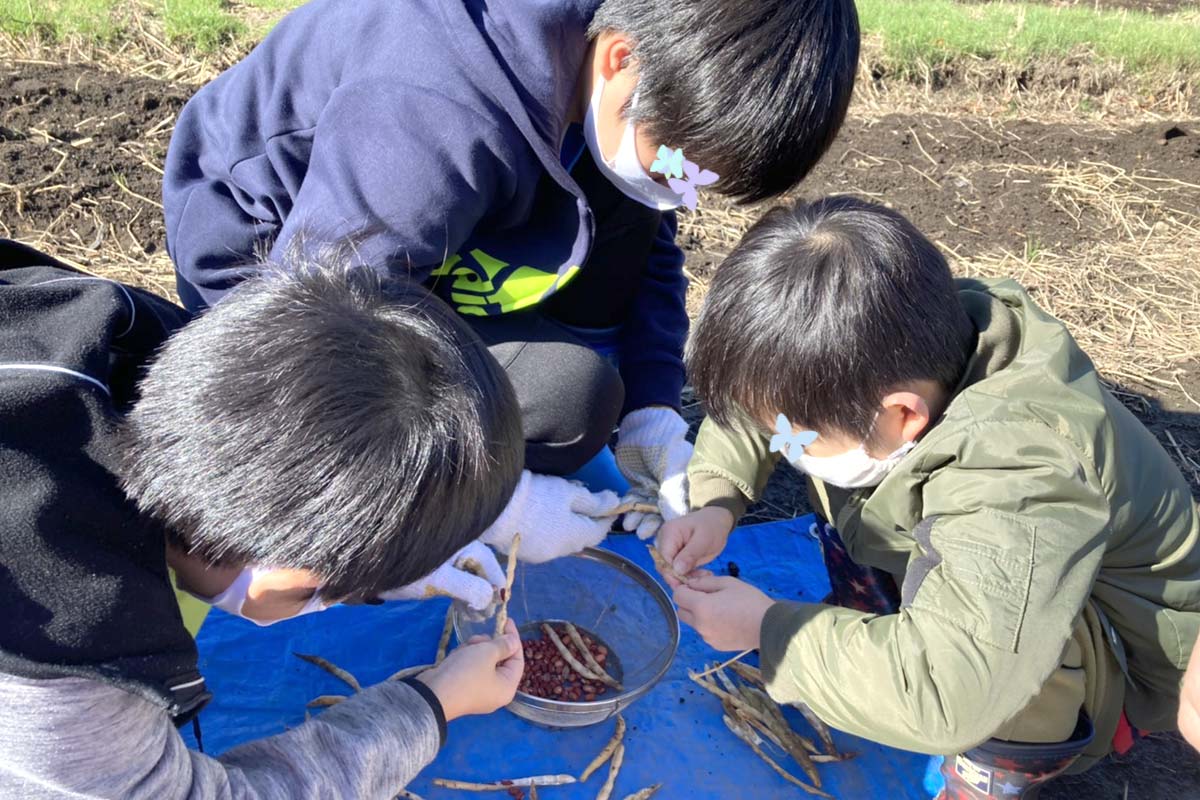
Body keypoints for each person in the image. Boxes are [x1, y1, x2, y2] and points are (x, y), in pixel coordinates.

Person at [162, 0, 861, 545]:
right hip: (282, 272)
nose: (684, 190)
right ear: (621, 58)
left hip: (412, 243)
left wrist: (651, 408)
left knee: (587, 381)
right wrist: (482, 509)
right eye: (680, 167)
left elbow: (650, 233)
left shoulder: (632, 66)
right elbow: (317, 347)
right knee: (535, 410)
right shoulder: (435, 113)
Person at [657, 197, 1200, 798]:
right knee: (856, 500)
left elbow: (956, 687)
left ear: (902, 414)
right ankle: (879, 648)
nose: (780, 444)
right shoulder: (890, 337)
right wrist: (717, 500)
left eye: (794, 438)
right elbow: (768, 403)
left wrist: (769, 630)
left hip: (1111, 652)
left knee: (987, 672)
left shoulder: (1020, 477)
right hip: (977, 558)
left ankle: (991, 773)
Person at [0, 238, 529, 799]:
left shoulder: (127, 336)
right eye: (323, 592)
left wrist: (387, 549)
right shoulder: (66, 670)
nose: (331, 602)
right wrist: (433, 703)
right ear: (263, 551)